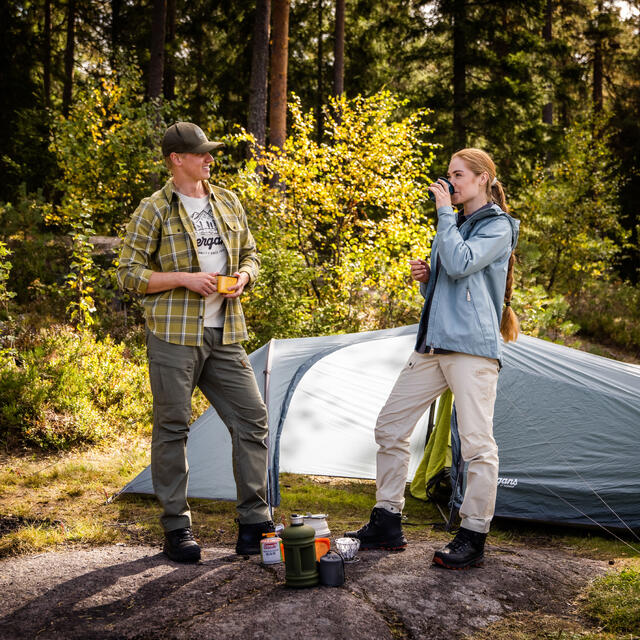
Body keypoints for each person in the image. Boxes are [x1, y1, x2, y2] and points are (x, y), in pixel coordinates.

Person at [346, 148, 520, 569]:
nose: (450, 183)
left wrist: (444, 218)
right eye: (448, 176)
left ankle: (473, 533)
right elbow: (449, 288)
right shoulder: (454, 224)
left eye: (458, 175)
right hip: (433, 346)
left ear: (482, 179)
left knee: (477, 445)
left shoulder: (498, 226)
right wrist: (427, 281)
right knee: (390, 426)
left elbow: (461, 265)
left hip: (472, 350)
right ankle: (387, 519)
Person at [117, 122, 274, 563]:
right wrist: (184, 279)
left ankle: (254, 522)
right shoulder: (154, 209)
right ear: (176, 159)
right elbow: (128, 274)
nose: (209, 159)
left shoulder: (227, 200)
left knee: (252, 419)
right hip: (173, 336)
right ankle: (177, 529)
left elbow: (251, 254)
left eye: (209, 153)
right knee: (172, 429)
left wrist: (243, 276)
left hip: (224, 333)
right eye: (201, 153)